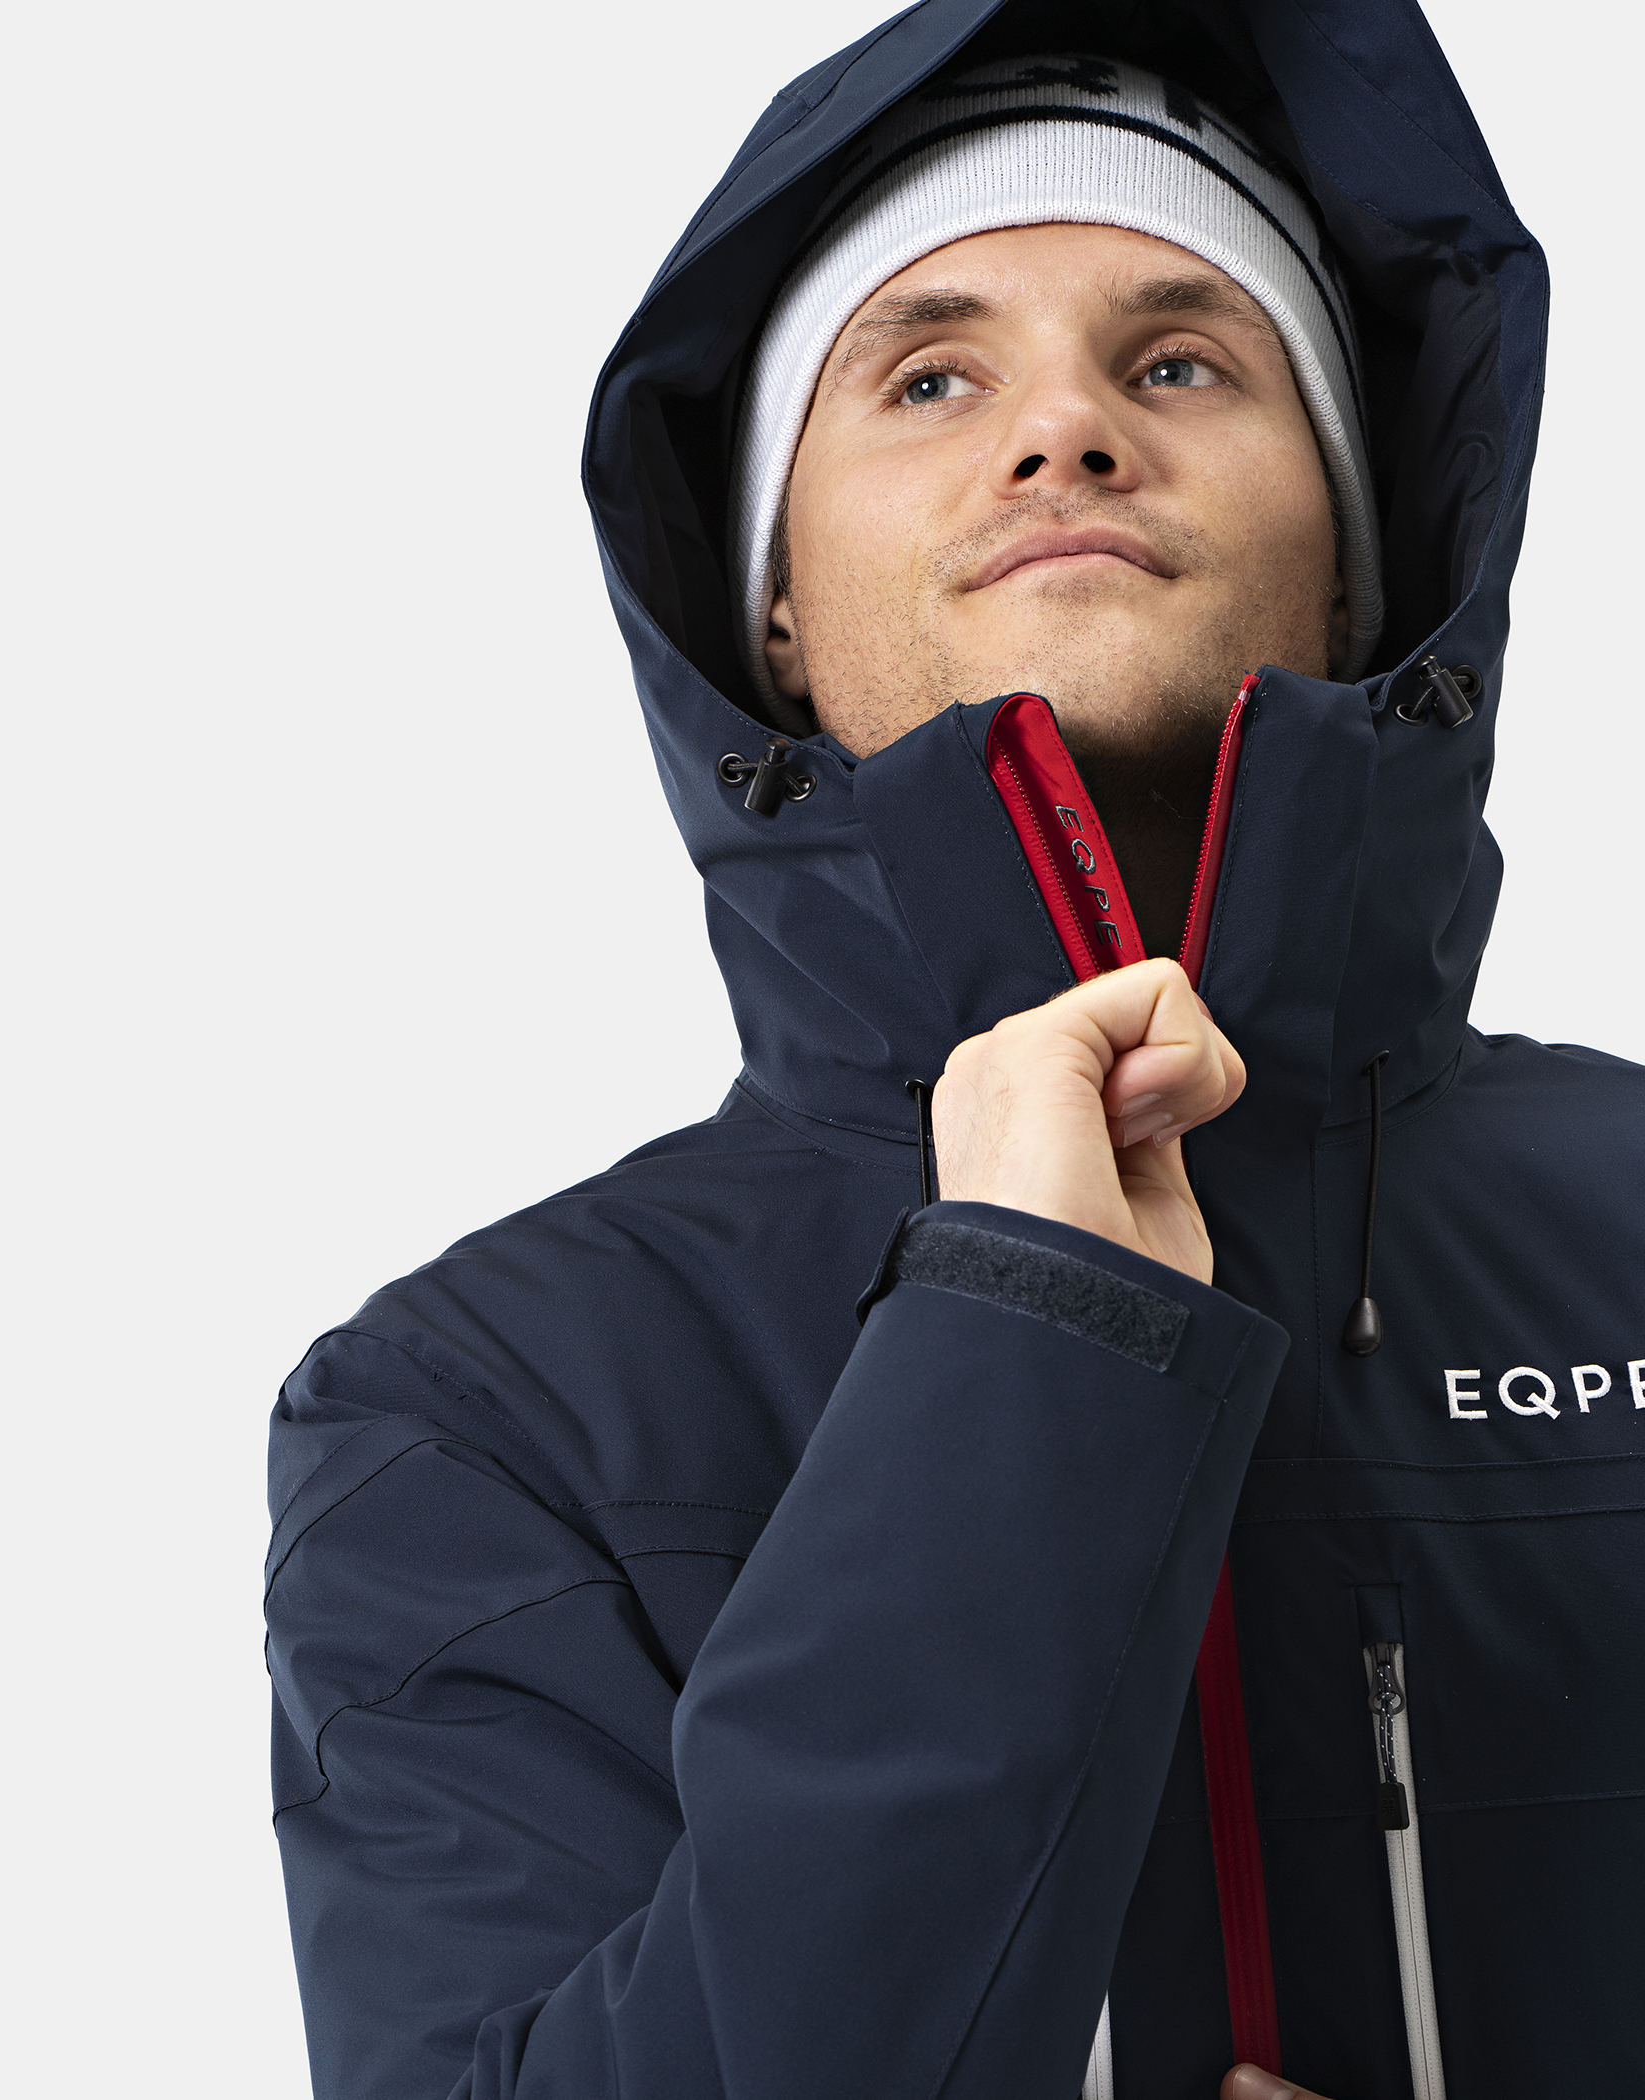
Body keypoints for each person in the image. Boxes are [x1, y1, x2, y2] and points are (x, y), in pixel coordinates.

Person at [265, 5, 1645, 2097]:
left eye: (1180, 362)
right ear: (773, 601)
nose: (1065, 430)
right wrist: (1027, 1328)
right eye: (929, 375)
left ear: (1364, 563)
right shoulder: (481, 1406)